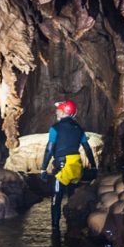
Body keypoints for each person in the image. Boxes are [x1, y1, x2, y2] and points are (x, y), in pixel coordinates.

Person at [40, 100, 97, 234]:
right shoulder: (79, 128)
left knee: (56, 199)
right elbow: (87, 149)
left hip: (62, 166)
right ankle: (73, 229)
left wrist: (43, 168)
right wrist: (93, 166)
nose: (56, 112)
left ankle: (55, 230)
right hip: (76, 166)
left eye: (58, 109)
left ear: (64, 111)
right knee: (72, 199)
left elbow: (49, 149)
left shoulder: (55, 128)